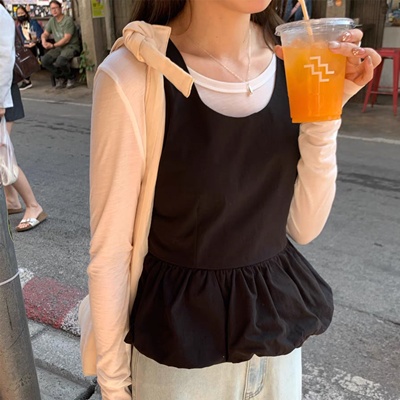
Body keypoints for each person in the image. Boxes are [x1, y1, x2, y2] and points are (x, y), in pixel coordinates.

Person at [79, 1, 381, 399]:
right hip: (181, 360)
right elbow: (111, 252)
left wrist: (326, 111)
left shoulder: (294, 60)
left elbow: (304, 228)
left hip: (276, 348)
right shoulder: (135, 73)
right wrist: (114, 386)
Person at [0, 0, 47, 232]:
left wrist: (0, 101)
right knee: (3, 151)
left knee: (2, 154)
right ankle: (12, 200)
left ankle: (33, 206)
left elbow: (4, 59)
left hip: (2, 94)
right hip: (2, 94)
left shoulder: (0, 15)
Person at [40, 0, 80, 89]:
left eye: (56, 8)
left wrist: (53, 45)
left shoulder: (68, 20)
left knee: (60, 61)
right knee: (45, 60)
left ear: (60, 8)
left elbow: (66, 39)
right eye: (52, 9)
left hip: (71, 46)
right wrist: (43, 40)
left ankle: (71, 77)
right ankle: (60, 77)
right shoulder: (52, 21)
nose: (54, 10)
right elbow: (45, 33)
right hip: (59, 47)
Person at [15, 5, 44, 91]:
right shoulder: (18, 26)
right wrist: (24, 44)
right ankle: (24, 79)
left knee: (27, 52)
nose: (21, 15)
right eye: (18, 14)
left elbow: (39, 35)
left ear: (26, 13)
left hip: (37, 45)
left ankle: (27, 80)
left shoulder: (32, 22)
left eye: (22, 13)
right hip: (26, 46)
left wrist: (34, 42)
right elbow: (20, 40)